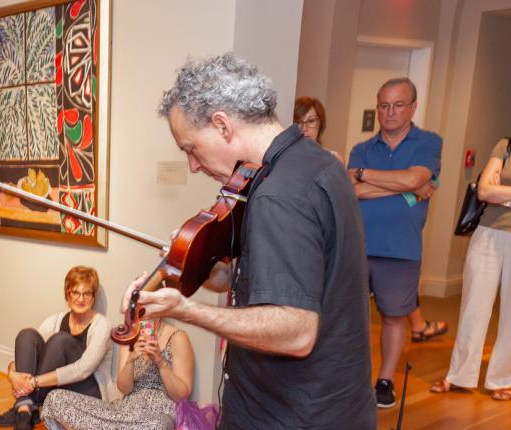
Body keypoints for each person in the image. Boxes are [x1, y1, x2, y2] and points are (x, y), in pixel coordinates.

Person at [128, 53, 374, 428]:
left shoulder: (279, 195)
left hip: (289, 414)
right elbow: (272, 279)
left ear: (223, 125)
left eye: (191, 148)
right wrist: (200, 264)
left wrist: (186, 310)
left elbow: (297, 331)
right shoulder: (318, 162)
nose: (194, 166)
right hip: (336, 406)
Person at [431, 86, 511, 402]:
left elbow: (496, 190)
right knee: (473, 306)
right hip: (488, 234)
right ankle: (459, 375)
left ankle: (500, 380)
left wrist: (502, 192)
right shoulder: (506, 145)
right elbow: (484, 193)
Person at [347, 77, 444, 408]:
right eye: (384, 105)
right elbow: (353, 190)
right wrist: (403, 185)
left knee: (393, 317)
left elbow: (417, 179)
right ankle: (351, 380)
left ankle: (384, 381)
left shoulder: (428, 143)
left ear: (413, 107)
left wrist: (366, 176)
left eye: (398, 104)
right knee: (351, 317)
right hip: (357, 247)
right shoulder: (362, 149)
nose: (389, 112)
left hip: (401, 249)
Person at [0, 266, 119, 430]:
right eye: (75, 293)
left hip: (90, 392)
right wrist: (12, 374)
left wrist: (33, 382)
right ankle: (24, 411)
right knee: (27, 335)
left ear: (93, 297)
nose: (81, 299)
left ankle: (25, 405)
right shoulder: (55, 320)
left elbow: (83, 369)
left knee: (60, 341)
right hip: (55, 389)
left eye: (87, 293)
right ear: (67, 294)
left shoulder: (103, 325)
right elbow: (26, 353)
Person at [42, 311, 194, 430]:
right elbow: (124, 388)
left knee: (156, 425)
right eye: (139, 311)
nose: (144, 316)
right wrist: (131, 360)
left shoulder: (178, 337)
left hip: (156, 414)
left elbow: (182, 395)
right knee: (55, 398)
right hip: (124, 411)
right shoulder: (129, 337)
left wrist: (160, 363)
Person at [292, 96, 341, 161]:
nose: (304, 128)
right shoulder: (282, 158)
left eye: (311, 121)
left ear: (320, 124)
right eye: (298, 122)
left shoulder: (334, 160)